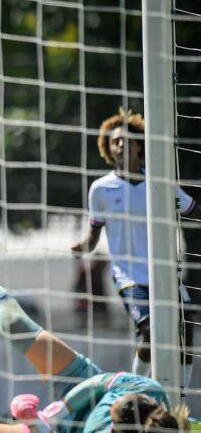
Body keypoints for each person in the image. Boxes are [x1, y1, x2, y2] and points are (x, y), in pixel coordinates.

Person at [0, 243, 189, 433]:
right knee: (15, 323)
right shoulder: (148, 390)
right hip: (82, 386)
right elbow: (102, 385)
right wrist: (60, 409)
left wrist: (40, 424)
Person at [71, 109, 201, 385]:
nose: (119, 146)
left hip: (165, 273)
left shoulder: (159, 183)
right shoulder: (101, 189)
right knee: (150, 332)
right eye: (114, 142)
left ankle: (178, 401)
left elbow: (193, 209)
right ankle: (133, 388)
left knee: (186, 330)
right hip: (129, 274)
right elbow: (94, 235)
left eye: (125, 141)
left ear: (138, 145)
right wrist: (84, 246)